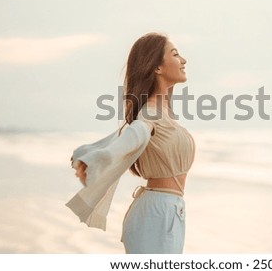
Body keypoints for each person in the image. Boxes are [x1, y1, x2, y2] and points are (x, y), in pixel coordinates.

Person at [66, 32, 196, 254]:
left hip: (169, 210)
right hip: (156, 214)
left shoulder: (164, 112)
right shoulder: (148, 116)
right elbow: (131, 138)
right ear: (157, 67)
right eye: (175, 54)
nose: (183, 60)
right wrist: (97, 159)